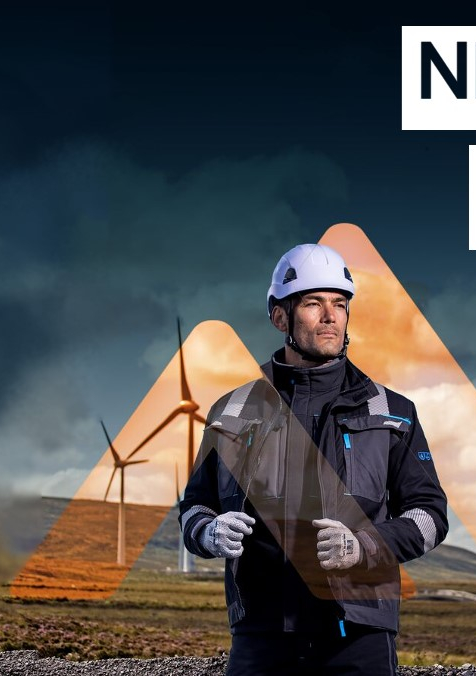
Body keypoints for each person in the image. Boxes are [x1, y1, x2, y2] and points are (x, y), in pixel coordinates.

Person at [178, 243, 448, 676]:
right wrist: (208, 531)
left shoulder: (390, 412)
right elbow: (194, 505)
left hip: (358, 636)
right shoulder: (232, 412)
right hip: (260, 635)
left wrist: (363, 546)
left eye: (340, 304)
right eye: (313, 304)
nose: (330, 317)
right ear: (279, 316)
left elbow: (430, 515)